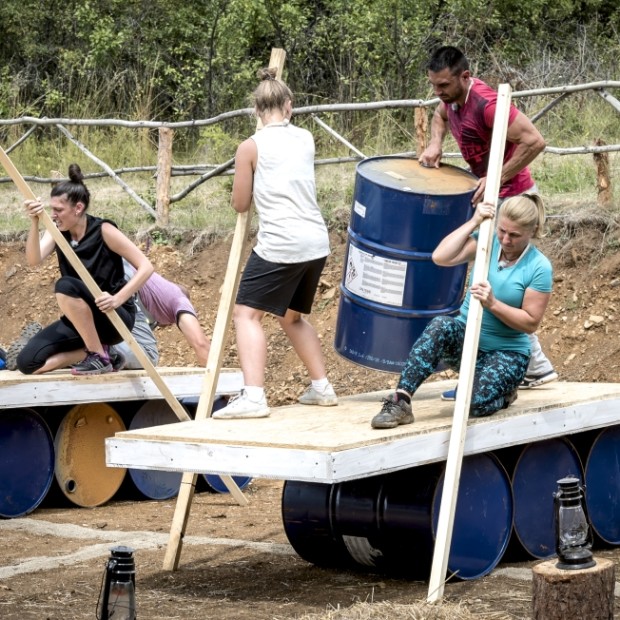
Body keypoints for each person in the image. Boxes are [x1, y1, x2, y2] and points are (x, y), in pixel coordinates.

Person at [419, 45, 557, 393]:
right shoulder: (450, 99)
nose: (439, 93)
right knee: (484, 275)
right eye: (435, 86)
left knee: (496, 279)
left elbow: (535, 141)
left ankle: (532, 365)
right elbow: (439, 115)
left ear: (465, 77)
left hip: (515, 197)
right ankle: (531, 366)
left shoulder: (489, 104)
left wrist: (496, 177)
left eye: (444, 86)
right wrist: (436, 144)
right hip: (491, 192)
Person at [212, 67, 337, 419]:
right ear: (289, 106)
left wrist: (247, 163)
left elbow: (240, 203)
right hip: (315, 242)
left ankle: (253, 396)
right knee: (292, 318)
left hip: (282, 242)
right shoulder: (306, 139)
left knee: (245, 314)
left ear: (255, 111)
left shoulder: (250, 146)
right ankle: (322, 387)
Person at [371, 194, 552, 429]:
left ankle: (504, 392)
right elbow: (440, 257)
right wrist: (475, 221)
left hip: (507, 353)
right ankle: (400, 402)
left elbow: (530, 322)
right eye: (502, 230)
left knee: (473, 404)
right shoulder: (488, 242)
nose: (506, 239)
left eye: (514, 235)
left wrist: (493, 304)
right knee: (440, 325)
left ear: (532, 231)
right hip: (468, 343)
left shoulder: (539, 267)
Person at [15, 163, 154, 375]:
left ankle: (98, 356)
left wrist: (118, 299)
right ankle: (103, 353)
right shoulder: (57, 232)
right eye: (52, 210)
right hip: (82, 321)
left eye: (59, 210)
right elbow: (34, 259)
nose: (53, 215)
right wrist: (34, 222)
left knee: (65, 285)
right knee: (27, 363)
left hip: (113, 317)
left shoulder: (104, 230)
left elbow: (146, 267)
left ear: (78, 208)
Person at [114, 261, 210, 367]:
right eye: (172, 322)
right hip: (123, 285)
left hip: (114, 272)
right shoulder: (180, 300)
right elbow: (201, 343)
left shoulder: (156, 290)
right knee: (149, 356)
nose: (170, 324)